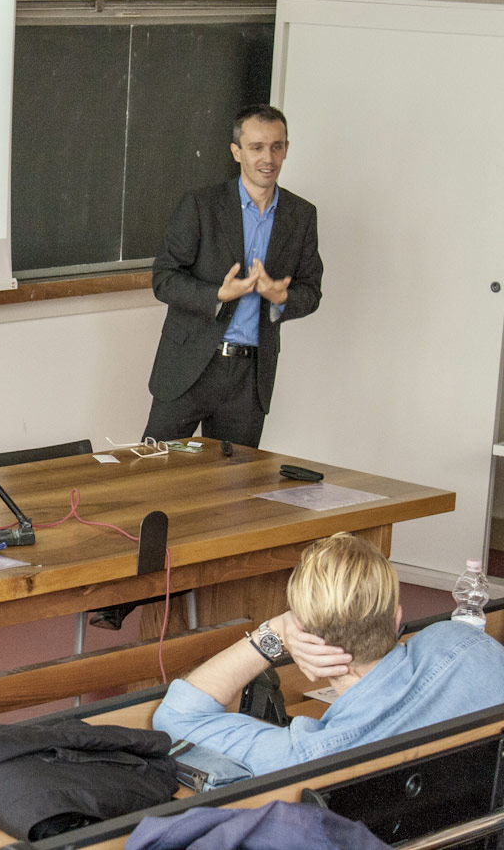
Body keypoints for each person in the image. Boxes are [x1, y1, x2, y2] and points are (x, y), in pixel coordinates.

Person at [152, 532, 504, 775]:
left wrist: (275, 632)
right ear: (396, 618)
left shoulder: (310, 756)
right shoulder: (466, 641)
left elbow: (179, 718)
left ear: (306, 636)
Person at [143, 103, 324, 450]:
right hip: (189, 366)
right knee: (155, 469)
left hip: (249, 377)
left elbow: (311, 292)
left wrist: (281, 297)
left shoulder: (301, 215)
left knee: (235, 480)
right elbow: (164, 278)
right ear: (236, 152)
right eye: (256, 147)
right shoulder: (201, 205)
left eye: (276, 146)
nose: (268, 158)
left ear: (286, 149)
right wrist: (217, 295)